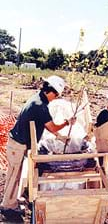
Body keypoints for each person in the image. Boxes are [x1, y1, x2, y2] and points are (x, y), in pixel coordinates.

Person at [0, 75, 76, 215]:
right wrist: (67, 123)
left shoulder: (38, 98)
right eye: (56, 95)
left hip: (18, 143)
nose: (56, 97)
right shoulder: (40, 105)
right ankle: (8, 206)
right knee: (14, 176)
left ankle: (12, 200)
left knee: (15, 174)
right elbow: (52, 127)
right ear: (50, 91)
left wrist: (60, 137)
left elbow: (46, 125)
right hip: (17, 145)